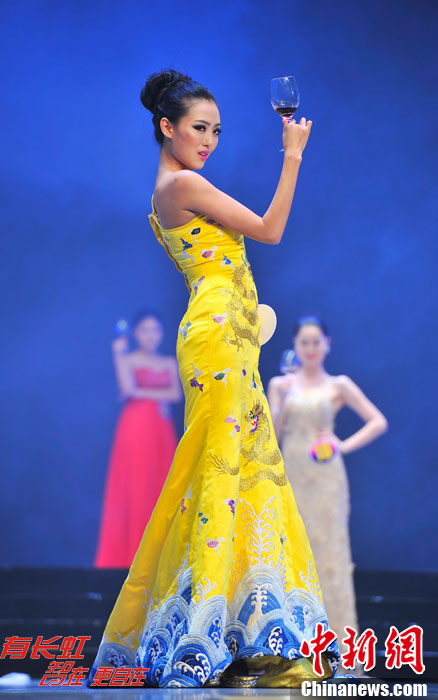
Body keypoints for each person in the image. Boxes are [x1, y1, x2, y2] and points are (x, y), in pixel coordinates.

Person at [89, 69, 341, 688]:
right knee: (221, 472)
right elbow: (269, 230)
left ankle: (248, 630)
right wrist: (292, 157)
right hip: (216, 339)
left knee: (247, 473)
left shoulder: (176, 185)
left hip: (229, 337)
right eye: (199, 128)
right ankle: (205, 630)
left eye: (217, 131)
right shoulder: (181, 184)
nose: (209, 140)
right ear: (166, 127)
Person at [267, 315, 388, 673]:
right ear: (295, 347)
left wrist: (342, 445)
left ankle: (338, 654)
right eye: (304, 343)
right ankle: (290, 651)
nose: (310, 349)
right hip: (290, 471)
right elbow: (272, 434)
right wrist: (278, 400)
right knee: (288, 552)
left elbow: (377, 420)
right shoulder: (281, 384)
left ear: (327, 344)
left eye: (316, 342)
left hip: (326, 476)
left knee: (330, 557)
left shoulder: (339, 384)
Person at [94, 310, 181, 568]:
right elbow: (127, 388)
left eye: (155, 330)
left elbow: (176, 394)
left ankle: (160, 557)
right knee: (136, 485)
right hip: (136, 427)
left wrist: (141, 392)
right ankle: (129, 556)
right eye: (145, 330)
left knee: (161, 483)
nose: (151, 336)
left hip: (161, 428)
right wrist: (117, 354)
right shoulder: (127, 358)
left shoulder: (168, 362)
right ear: (135, 333)